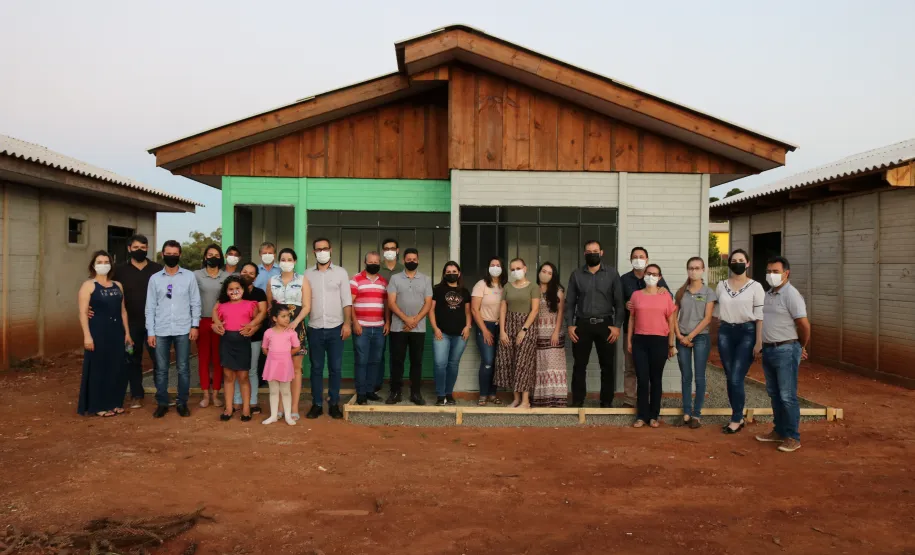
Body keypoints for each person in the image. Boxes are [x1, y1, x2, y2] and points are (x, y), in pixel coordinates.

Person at [756, 256, 810, 453]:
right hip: (769, 349)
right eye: (769, 271)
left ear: (786, 273)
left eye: (775, 272)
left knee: (787, 396)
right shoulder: (769, 294)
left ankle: (792, 437)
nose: (771, 275)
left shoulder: (792, 295)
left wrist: (800, 346)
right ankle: (778, 431)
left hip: (786, 350)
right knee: (774, 394)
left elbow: (804, 324)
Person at [565, 240, 625, 408]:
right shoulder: (576, 275)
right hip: (582, 325)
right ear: (584, 254)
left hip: (606, 325)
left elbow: (619, 303)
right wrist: (570, 325)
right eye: (589, 251)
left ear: (601, 253)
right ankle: (577, 400)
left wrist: (617, 326)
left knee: (607, 365)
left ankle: (606, 402)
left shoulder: (612, 274)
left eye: (595, 250)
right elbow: (569, 303)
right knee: (579, 365)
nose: (592, 253)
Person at [146, 240, 201, 418]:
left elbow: (195, 302)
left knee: (183, 368)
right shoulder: (154, 279)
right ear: (163, 255)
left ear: (180, 255)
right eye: (168, 253)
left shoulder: (189, 276)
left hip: (183, 328)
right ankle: (162, 402)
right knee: (161, 368)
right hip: (160, 329)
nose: (171, 256)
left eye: (175, 253)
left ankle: (182, 402)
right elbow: (150, 306)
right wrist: (151, 331)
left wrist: (195, 325)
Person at [716, 249, 765, 434]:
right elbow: (716, 312)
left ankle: (736, 418)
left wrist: (759, 341)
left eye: (741, 260)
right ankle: (738, 415)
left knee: (736, 377)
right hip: (726, 332)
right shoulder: (721, 285)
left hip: (747, 332)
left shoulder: (756, 286)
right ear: (729, 263)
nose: (737, 262)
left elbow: (760, 316)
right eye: (734, 260)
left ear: (748, 263)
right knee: (730, 377)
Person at [78, 251, 133, 416]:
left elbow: (123, 311)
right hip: (98, 331)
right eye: (99, 262)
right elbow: (82, 313)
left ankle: (115, 402)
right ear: (93, 265)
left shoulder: (118, 285)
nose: (103, 264)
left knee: (117, 367)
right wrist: (87, 336)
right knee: (98, 368)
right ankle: (98, 406)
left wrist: (127, 334)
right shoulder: (88, 285)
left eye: (106, 261)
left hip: (117, 332)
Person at [304, 238, 352, 419]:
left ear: (331, 250)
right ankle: (316, 403)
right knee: (316, 368)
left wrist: (347, 324)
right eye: (318, 249)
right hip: (314, 328)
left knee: (335, 368)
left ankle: (334, 403)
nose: (322, 251)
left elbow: (347, 301)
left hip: (336, 328)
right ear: (314, 252)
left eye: (325, 248)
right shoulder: (307, 274)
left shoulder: (341, 273)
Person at [627, 264, 677, 428]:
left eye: (655, 274)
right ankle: (641, 415)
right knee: (642, 379)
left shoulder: (666, 296)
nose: (651, 276)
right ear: (644, 275)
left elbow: (671, 319)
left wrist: (671, 343)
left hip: (660, 341)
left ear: (660, 277)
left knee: (656, 379)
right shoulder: (636, 295)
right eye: (648, 273)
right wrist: (629, 340)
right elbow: (632, 319)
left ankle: (654, 415)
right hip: (640, 341)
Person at [115, 234, 162, 409]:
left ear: (147, 248)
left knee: (159, 359)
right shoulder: (119, 271)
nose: (139, 251)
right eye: (136, 248)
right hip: (129, 326)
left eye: (143, 247)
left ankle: (161, 393)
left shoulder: (157, 269)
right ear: (129, 249)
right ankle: (136, 394)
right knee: (131, 359)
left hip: (155, 325)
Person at [621, 247, 671, 406]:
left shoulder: (657, 279)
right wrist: (625, 304)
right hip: (632, 332)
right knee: (630, 368)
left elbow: (668, 302)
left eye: (641, 256)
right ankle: (630, 400)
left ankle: (649, 401)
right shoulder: (624, 279)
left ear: (647, 259)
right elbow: (617, 300)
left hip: (655, 334)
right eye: (635, 257)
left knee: (650, 372)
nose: (638, 259)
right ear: (630, 260)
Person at [266, 248, 312, 421]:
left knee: (295, 368)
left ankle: (293, 407)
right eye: (283, 259)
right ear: (279, 261)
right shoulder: (272, 281)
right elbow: (270, 306)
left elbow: (307, 306)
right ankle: (278, 407)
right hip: (276, 330)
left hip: (296, 328)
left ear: (295, 261)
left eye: (289, 259)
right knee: (278, 367)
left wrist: (294, 322)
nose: (286, 262)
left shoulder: (302, 280)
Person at [673, 257, 717, 428]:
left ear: (703, 270)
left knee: (699, 376)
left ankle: (696, 415)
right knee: (686, 376)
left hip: (700, 338)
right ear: (687, 270)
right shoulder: (681, 292)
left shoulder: (708, 292)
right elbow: (674, 317)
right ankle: (686, 413)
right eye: (691, 268)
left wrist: (690, 336)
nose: (693, 271)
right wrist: (679, 335)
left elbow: (707, 319)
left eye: (697, 268)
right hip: (681, 337)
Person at [386, 247, 433, 405]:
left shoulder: (426, 279)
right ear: (404, 260)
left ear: (418, 260)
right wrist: (406, 319)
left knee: (416, 362)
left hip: (418, 329)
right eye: (408, 259)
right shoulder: (395, 278)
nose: (411, 261)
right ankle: (395, 392)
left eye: (414, 259)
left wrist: (415, 320)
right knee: (397, 361)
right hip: (398, 328)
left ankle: (416, 393)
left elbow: (428, 304)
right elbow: (391, 303)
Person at [213, 276, 260, 422]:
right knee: (228, 377)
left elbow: (257, 323)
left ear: (243, 289)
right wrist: (215, 326)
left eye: (237, 288)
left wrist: (253, 329)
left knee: (244, 377)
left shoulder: (251, 304)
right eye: (231, 289)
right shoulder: (221, 306)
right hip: (226, 343)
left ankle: (246, 408)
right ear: (226, 291)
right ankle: (228, 408)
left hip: (243, 344)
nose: (234, 291)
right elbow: (216, 323)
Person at [495, 258, 540, 408]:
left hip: (527, 327)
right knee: (510, 362)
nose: (516, 271)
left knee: (523, 363)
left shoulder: (533, 287)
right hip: (509, 325)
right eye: (513, 269)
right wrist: (502, 331)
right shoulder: (507, 287)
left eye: (518, 268)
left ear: (525, 269)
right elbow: (503, 309)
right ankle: (515, 399)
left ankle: (526, 401)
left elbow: (535, 310)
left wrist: (524, 330)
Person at [226, 263, 268, 414]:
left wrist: (253, 327)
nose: (247, 275)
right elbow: (220, 308)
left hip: (254, 337)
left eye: (251, 273)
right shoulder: (233, 292)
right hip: (233, 338)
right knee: (236, 370)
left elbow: (262, 313)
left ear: (256, 277)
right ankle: (237, 401)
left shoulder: (259, 293)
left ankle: (252, 402)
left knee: (251, 370)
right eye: (245, 271)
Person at [429, 261, 471, 406]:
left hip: (460, 335)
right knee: (440, 364)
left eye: (454, 271)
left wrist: (468, 326)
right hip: (442, 334)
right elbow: (431, 310)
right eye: (448, 272)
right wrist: (435, 328)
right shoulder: (437, 289)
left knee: (453, 364)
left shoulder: (465, 292)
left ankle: (449, 393)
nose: (451, 274)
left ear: (459, 274)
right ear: (444, 273)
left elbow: (467, 311)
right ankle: (440, 395)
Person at [350, 251, 389, 405]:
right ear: (365, 262)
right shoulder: (355, 280)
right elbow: (349, 303)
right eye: (371, 262)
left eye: (376, 262)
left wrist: (387, 322)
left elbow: (386, 304)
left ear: (380, 263)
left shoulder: (383, 282)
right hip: (362, 329)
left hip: (379, 328)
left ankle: (370, 391)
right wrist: (355, 323)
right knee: (361, 361)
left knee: (375, 361)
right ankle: (361, 393)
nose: (374, 264)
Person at [194, 244, 228, 408]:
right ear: (205, 257)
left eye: (216, 255)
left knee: (217, 359)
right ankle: (205, 394)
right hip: (202, 321)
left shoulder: (226, 276)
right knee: (204, 359)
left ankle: (216, 394)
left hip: (221, 323)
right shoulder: (196, 275)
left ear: (220, 258)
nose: (212, 257)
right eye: (209, 254)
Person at [471, 257, 505, 406]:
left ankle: (492, 394)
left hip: (501, 327)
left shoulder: (505, 286)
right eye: (492, 265)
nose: (495, 267)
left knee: (497, 362)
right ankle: (483, 395)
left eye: (498, 265)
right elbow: (474, 309)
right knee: (488, 361)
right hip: (485, 325)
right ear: (488, 268)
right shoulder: (481, 285)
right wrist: (484, 330)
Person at [533, 262, 567, 407]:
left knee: (552, 366)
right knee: (540, 365)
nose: (545, 274)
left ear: (553, 276)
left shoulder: (558, 290)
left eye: (549, 272)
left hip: (553, 331)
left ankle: (555, 401)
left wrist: (556, 332)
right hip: (537, 332)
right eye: (543, 271)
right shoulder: (533, 289)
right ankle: (541, 400)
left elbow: (560, 312)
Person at [261, 305, 300, 426]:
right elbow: (264, 348)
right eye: (283, 316)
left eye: (288, 316)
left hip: (285, 365)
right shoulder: (268, 332)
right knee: (273, 391)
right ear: (274, 318)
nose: (287, 319)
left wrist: (286, 355)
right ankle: (273, 416)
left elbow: (297, 347)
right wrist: (273, 357)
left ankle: (288, 416)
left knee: (286, 391)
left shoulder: (291, 333)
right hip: (272, 365)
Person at [376, 238, 404, 394]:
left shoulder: (403, 269)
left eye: (392, 248)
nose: (389, 251)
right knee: (378, 353)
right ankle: (376, 383)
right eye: (386, 248)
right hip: (377, 316)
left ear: (398, 251)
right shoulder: (376, 268)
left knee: (396, 353)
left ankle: (396, 385)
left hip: (399, 316)